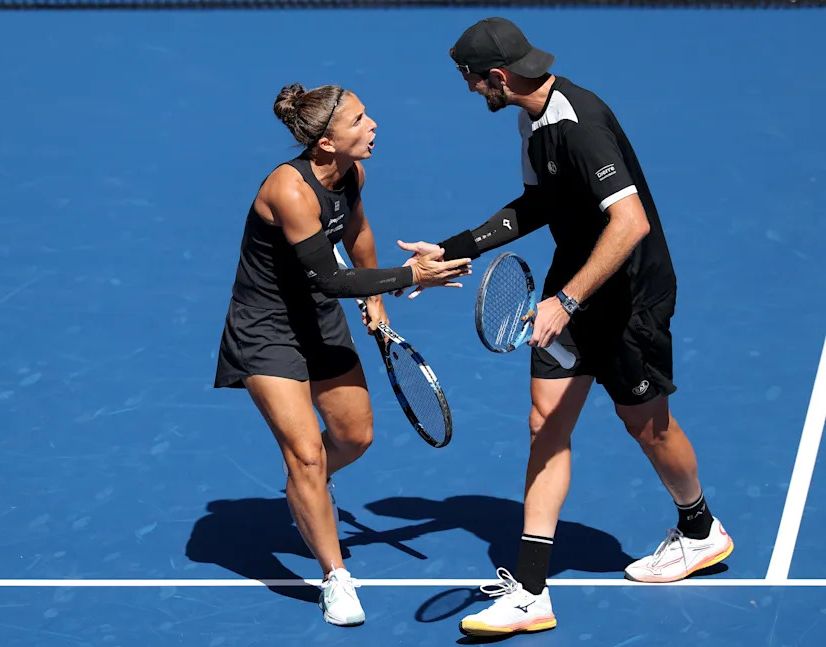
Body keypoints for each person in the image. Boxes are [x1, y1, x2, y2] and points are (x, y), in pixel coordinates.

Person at [396, 17, 735, 637]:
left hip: (628, 296)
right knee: (544, 424)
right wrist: (453, 248)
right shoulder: (531, 120)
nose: (469, 88)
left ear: (498, 76)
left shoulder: (579, 127)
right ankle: (531, 591)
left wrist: (567, 302)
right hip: (574, 281)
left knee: (647, 425)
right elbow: (536, 206)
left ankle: (700, 528)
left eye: (470, 78)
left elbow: (631, 223)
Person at [213, 82, 472, 627]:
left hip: (320, 320)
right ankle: (335, 576)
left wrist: (376, 301)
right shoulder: (289, 190)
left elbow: (356, 231)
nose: (372, 124)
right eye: (358, 120)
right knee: (306, 454)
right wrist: (411, 276)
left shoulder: (352, 174)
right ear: (326, 142)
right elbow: (329, 278)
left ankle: (306, 488)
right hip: (266, 330)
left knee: (355, 437)